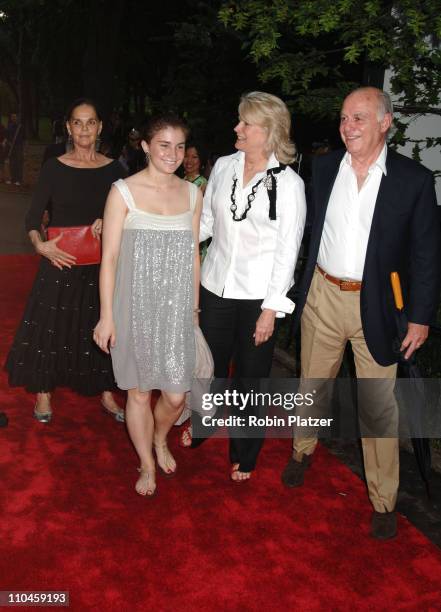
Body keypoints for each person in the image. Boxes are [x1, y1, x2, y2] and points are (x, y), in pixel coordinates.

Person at [281, 87, 441, 539]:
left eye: (358, 118)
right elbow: (308, 228)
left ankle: (384, 499)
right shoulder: (324, 167)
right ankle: (302, 450)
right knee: (312, 384)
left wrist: (420, 315)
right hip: (323, 296)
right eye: (344, 118)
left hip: (378, 306)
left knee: (377, 407)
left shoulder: (413, 180)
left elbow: (427, 255)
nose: (347, 126)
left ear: (384, 123)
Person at [189, 91, 306, 481]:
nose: (236, 128)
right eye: (239, 121)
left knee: (250, 377)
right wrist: (171, 236)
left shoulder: (289, 184)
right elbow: (205, 223)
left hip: (258, 296)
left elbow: (287, 251)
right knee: (209, 367)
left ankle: (244, 449)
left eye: (245, 123)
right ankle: (203, 424)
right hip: (214, 285)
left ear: (269, 132)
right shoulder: (223, 166)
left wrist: (271, 309)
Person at [94, 114, 202, 497]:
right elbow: (108, 259)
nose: (172, 154)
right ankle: (145, 461)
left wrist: (193, 311)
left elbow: (193, 258)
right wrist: (107, 317)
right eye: (163, 145)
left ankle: (160, 438)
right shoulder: (122, 191)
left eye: (179, 146)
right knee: (138, 392)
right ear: (145, 146)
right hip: (132, 307)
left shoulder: (192, 194)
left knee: (175, 395)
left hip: (175, 311)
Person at [6, 98, 126, 423]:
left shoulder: (116, 170)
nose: (84, 129)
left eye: (91, 122)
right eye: (78, 122)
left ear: (100, 127)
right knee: (50, 329)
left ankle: (105, 390)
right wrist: (41, 246)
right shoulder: (54, 167)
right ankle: (44, 393)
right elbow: (32, 219)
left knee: (99, 324)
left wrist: (111, 220)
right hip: (59, 260)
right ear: (69, 128)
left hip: (101, 264)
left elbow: (132, 212)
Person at [5, 113, 24, 186]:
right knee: (12, 163)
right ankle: (13, 179)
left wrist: (25, 149)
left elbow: (24, 138)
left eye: (15, 117)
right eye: (12, 117)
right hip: (10, 147)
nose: (14, 118)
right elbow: (7, 136)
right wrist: (8, 143)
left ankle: (19, 180)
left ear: (17, 118)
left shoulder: (20, 127)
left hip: (18, 147)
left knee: (18, 163)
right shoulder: (9, 126)